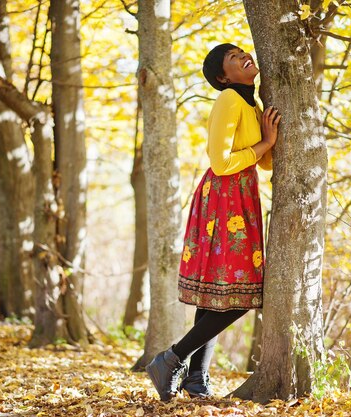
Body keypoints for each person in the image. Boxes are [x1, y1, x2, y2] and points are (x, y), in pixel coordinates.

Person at [145, 43, 282, 401]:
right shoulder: (228, 100)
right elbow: (221, 162)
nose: (244, 57)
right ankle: (172, 358)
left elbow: (264, 162)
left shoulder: (249, 103)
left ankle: (196, 379)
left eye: (242, 52)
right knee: (238, 294)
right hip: (224, 198)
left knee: (216, 295)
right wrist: (265, 142)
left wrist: (268, 138)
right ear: (223, 77)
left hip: (241, 194)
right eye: (233, 59)